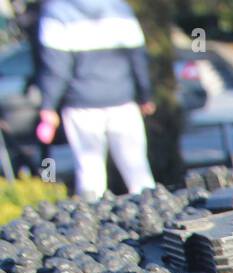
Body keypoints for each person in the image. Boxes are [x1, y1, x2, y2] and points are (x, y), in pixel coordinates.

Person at [35, 0, 156, 198]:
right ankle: (153, 214)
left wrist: (48, 105)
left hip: (82, 105)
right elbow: (138, 58)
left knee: (90, 174)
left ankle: (93, 224)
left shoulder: (57, 11)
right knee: (137, 170)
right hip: (123, 102)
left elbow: (56, 68)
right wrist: (145, 96)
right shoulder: (119, 7)